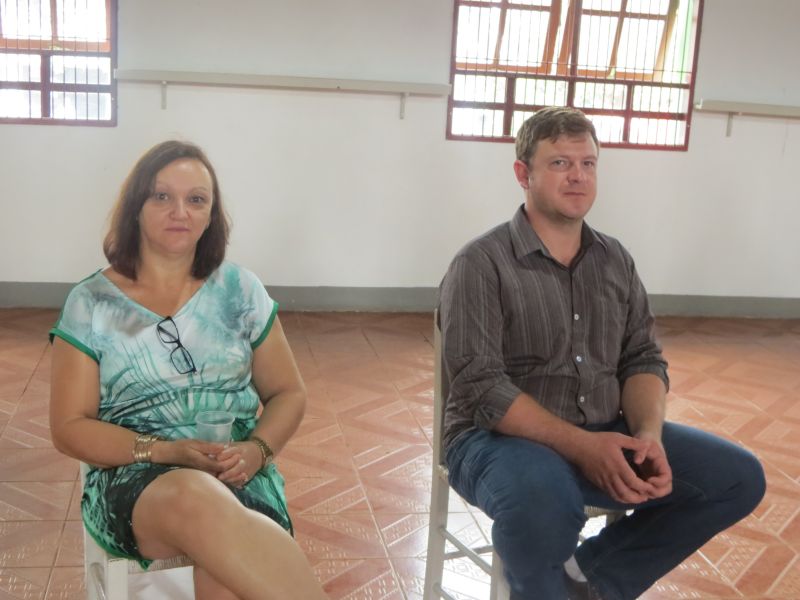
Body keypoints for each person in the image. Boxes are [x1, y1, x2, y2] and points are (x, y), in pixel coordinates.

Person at [438, 107, 766, 600]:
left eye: (588, 163)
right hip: (496, 440)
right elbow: (481, 387)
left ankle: (590, 581)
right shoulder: (480, 263)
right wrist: (582, 447)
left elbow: (643, 359)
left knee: (737, 479)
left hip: (604, 431)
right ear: (523, 174)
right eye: (560, 163)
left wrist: (648, 436)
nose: (578, 176)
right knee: (543, 505)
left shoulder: (615, 260)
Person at [49, 140, 327, 600]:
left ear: (211, 214)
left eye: (196, 199)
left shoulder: (240, 289)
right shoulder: (91, 302)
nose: (180, 211)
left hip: (236, 469)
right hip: (135, 471)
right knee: (196, 500)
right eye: (162, 196)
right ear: (136, 206)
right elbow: (69, 428)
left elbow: (288, 393)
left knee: (227, 575)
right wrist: (165, 451)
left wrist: (257, 450)